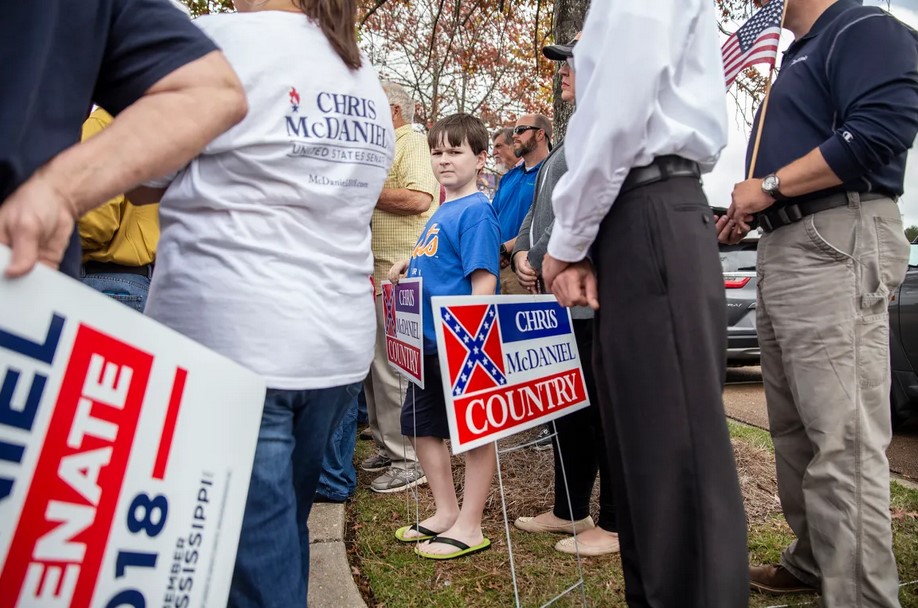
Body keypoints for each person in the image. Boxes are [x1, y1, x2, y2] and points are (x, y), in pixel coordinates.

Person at [135, 0, 394, 605]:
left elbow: (140, 176)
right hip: (332, 347)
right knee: (281, 535)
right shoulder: (361, 73)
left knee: (242, 561)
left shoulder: (218, 39)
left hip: (238, 344)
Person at [541, 3, 750, 606]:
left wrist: (567, 241)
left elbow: (619, 110)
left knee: (673, 467)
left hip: (648, 206)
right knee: (641, 464)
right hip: (634, 212)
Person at [719, 1, 918, 604]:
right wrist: (755, 207)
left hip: (836, 239)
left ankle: (861, 595)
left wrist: (770, 186)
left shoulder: (865, 27)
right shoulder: (797, 56)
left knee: (842, 439)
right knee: (794, 430)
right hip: (787, 241)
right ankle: (813, 560)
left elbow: (882, 129)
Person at [0, 0, 245, 280]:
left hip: (94, 270)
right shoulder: (165, 129)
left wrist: (52, 202)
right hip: (136, 272)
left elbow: (100, 222)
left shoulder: (105, 124)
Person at [511, 33, 618, 558]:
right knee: (569, 409)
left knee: (604, 413)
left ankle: (616, 524)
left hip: (595, 297)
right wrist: (521, 252)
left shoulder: (607, 127)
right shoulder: (575, 131)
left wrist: (544, 255)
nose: (563, 71)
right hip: (559, 301)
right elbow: (541, 209)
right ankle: (570, 510)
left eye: (573, 61)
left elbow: (587, 205)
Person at [388, 112, 500, 559]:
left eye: (455, 151)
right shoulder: (443, 210)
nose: (444, 160)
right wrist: (408, 265)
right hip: (426, 345)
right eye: (437, 152)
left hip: (459, 344)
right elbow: (439, 261)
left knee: (474, 434)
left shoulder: (476, 211)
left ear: (480, 158)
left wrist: (469, 344)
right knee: (419, 427)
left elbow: (483, 281)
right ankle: (446, 511)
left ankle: (471, 525)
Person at [362, 80, 440, 494]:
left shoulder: (411, 140)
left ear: (393, 109)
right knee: (376, 366)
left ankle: (408, 457)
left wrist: (362, 191)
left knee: (393, 369)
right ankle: (387, 444)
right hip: (379, 272)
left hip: (400, 273)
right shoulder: (387, 144)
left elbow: (419, 198)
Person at [78, 108, 159, 313]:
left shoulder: (105, 120)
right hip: (145, 284)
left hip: (103, 282)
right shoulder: (160, 128)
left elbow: (95, 223)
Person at [491, 114, 551, 295]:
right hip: (495, 267)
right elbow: (493, 218)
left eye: (520, 130)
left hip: (527, 269)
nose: (514, 135)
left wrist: (506, 249)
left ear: (540, 134)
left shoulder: (550, 173)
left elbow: (546, 224)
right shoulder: (509, 177)